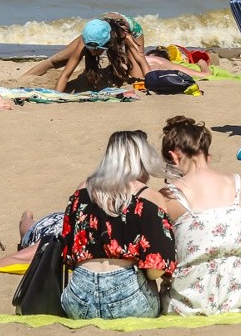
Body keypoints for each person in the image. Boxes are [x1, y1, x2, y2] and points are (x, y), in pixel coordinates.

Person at [60, 130, 176, 320]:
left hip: (79, 298)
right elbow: (156, 269)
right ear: (142, 161)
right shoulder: (149, 197)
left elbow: (67, 250)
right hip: (129, 299)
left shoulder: (81, 191)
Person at [159, 116, 241, 315]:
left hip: (193, 297)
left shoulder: (170, 195)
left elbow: (166, 255)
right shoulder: (240, 184)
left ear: (174, 157)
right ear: (206, 154)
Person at [23, 13, 151, 91]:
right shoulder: (87, 38)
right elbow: (65, 74)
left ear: (106, 44)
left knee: (137, 77)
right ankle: (22, 79)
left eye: (98, 50)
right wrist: (56, 96)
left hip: (129, 29)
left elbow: (141, 59)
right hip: (96, 29)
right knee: (57, 60)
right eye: (90, 50)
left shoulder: (125, 35)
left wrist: (153, 82)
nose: (94, 54)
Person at [0, 210, 64, 267]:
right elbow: (1, 263)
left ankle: (27, 216)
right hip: (42, 228)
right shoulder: (49, 243)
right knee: (28, 225)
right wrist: (36, 262)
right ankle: (26, 216)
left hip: (63, 220)